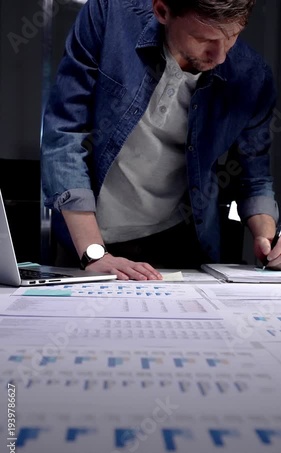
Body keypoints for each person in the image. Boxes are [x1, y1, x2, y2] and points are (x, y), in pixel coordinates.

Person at [41, 0, 280, 281]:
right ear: (163, 11)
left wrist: (269, 239)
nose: (220, 58)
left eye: (233, 37)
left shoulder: (253, 76)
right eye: (203, 39)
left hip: (179, 239)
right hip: (86, 237)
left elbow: (254, 179)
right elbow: (64, 132)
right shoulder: (109, 14)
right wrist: (94, 253)